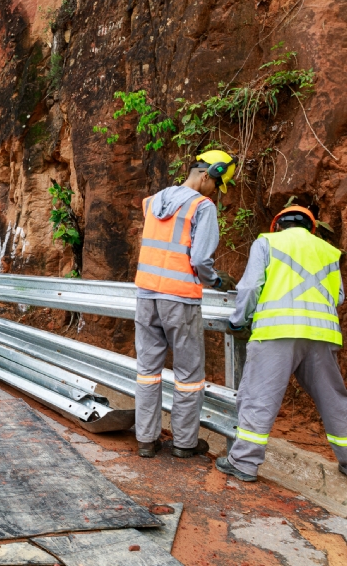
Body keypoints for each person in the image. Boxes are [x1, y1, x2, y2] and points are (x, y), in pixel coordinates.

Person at [216, 206, 347, 482]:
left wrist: (239, 321)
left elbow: (251, 287)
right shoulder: (328, 251)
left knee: (258, 396)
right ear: (311, 228)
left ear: (278, 225)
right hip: (321, 335)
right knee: (334, 400)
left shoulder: (267, 242)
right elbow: (338, 297)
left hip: (277, 332)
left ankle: (244, 462)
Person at [134, 150, 237, 459]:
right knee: (189, 374)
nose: (215, 192)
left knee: (148, 371)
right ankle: (184, 442)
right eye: (216, 185)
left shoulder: (154, 201)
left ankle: (146, 440)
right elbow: (201, 259)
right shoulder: (202, 206)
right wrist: (215, 281)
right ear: (207, 175)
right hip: (179, 298)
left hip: (146, 296)